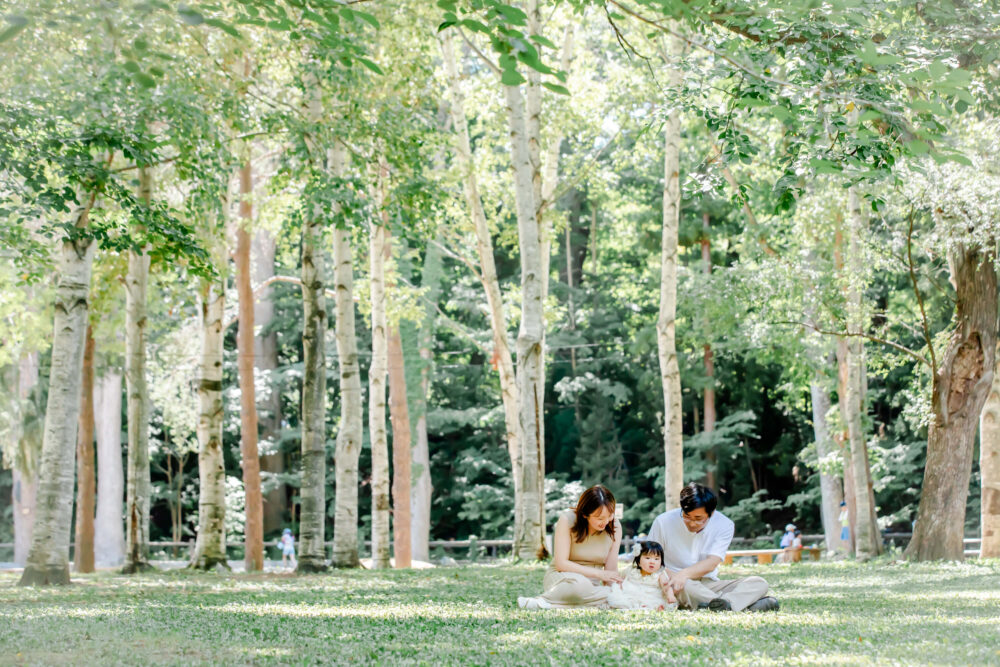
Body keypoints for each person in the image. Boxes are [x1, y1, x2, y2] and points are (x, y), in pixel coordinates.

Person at [647, 482, 779, 612]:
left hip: (708, 583)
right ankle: (733, 605)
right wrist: (677, 576)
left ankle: (720, 604)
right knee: (687, 586)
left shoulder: (724, 524)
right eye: (686, 516)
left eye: (698, 518)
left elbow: (712, 562)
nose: (692, 523)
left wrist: (684, 574)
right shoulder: (663, 522)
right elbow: (648, 559)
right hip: (675, 582)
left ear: (711, 513)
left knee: (758, 583)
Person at [518, 484, 623, 610]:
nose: (605, 522)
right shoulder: (567, 519)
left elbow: (611, 569)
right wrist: (599, 574)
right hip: (564, 579)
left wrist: (616, 590)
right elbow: (561, 564)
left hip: (592, 586)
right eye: (599, 518)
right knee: (580, 585)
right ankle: (596, 602)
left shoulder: (615, 526)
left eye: (610, 515)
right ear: (585, 514)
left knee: (620, 592)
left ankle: (547, 605)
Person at [607, 540, 678, 611]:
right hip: (632, 594)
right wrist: (620, 583)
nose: (652, 562)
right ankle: (633, 606)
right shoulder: (631, 570)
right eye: (647, 558)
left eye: (656, 559)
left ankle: (653, 607)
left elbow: (666, 586)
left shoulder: (660, 574)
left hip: (651, 596)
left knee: (654, 603)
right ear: (638, 562)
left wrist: (670, 595)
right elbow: (620, 576)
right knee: (620, 597)